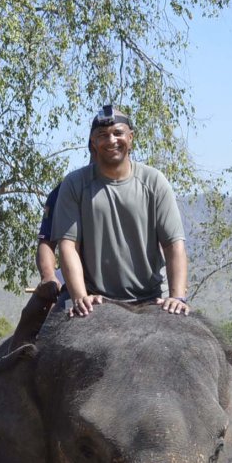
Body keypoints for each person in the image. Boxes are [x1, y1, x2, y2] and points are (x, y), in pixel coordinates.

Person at [53, 105, 189, 317]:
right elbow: (68, 245)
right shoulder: (74, 184)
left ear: (131, 137)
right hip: (93, 296)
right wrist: (81, 297)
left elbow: (174, 244)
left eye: (118, 133)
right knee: (42, 337)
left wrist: (177, 296)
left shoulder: (154, 182)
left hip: (150, 296)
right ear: (93, 143)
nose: (111, 140)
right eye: (103, 135)